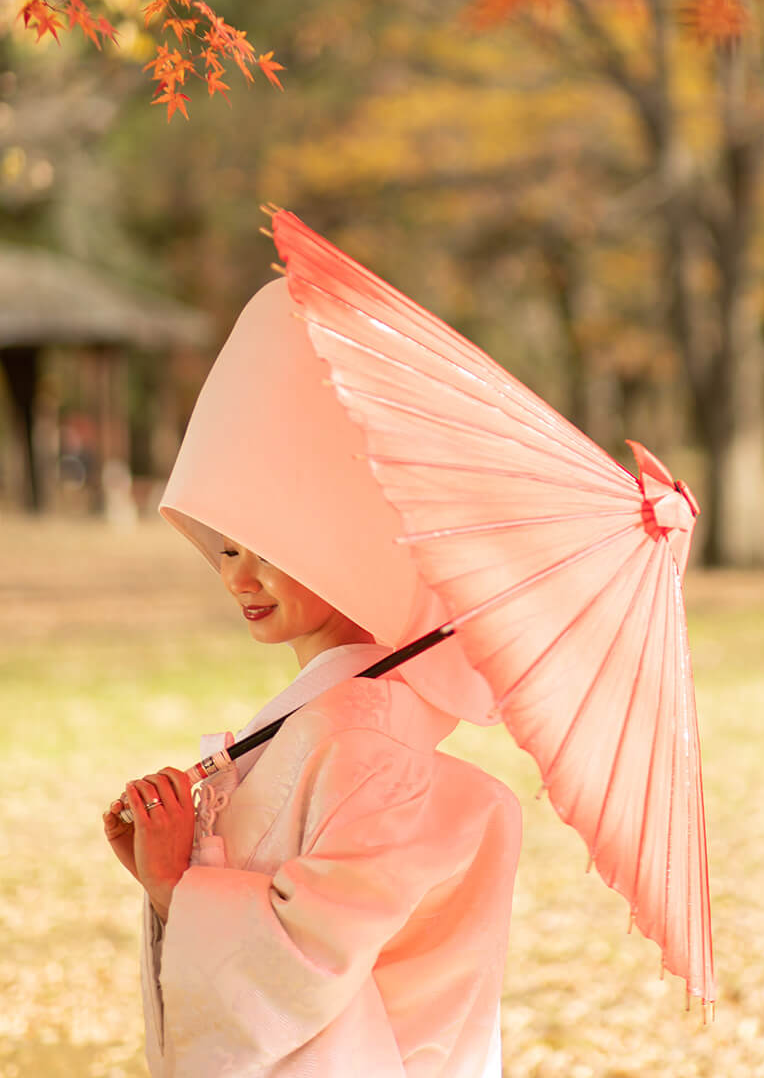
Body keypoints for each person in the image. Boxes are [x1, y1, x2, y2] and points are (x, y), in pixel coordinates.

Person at [101, 280, 522, 1078]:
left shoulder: (362, 745)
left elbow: (310, 973)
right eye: (228, 549)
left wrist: (175, 888)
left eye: (271, 552)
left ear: (346, 549)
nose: (242, 578)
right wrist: (174, 871)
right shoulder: (330, 718)